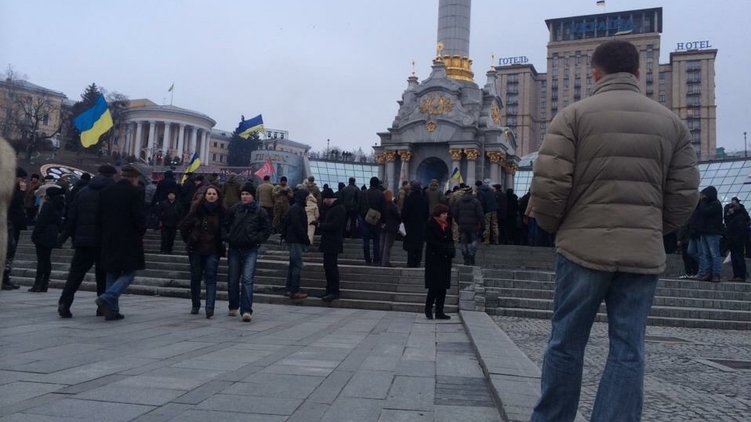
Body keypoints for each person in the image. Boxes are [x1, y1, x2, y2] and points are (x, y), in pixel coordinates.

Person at [528, 40, 699, 422]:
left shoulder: (572, 117)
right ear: (638, 72)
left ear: (594, 72)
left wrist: (558, 228)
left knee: (566, 343)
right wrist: (650, 228)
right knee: (628, 349)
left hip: (581, 250)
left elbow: (549, 186)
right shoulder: (672, 124)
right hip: (642, 254)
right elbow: (685, 195)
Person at [57, 165, 117, 317]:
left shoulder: (83, 192)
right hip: (104, 242)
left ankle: (64, 303)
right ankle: (102, 307)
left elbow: (72, 218)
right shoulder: (113, 192)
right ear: (112, 176)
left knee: (75, 275)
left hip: (83, 241)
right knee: (103, 276)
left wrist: (63, 237)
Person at [95, 165, 146, 321]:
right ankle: (108, 296)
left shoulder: (105, 192)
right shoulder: (136, 192)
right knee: (130, 272)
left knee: (112, 272)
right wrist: (141, 230)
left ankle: (112, 311)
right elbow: (138, 216)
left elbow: (99, 216)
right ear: (133, 178)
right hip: (129, 238)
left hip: (109, 237)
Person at [225, 182, 270, 322]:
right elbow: (225, 224)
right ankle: (233, 305)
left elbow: (266, 229)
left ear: (253, 196)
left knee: (247, 279)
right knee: (233, 279)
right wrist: (228, 237)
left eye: (247, 194)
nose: (244, 196)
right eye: (243, 194)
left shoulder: (260, 211)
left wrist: (257, 239)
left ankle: (246, 310)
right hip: (234, 247)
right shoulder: (234, 209)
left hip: (250, 248)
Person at [179, 186, 226, 318]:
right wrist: (190, 239)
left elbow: (225, 228)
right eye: (209, 193)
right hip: (196, 248)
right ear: (205, 196)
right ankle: (196, 303)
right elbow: (183, 226)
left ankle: (210, 306)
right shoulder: (197, 210)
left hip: (213, 249)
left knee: (211, 277)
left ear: (218, 196)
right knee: (196, 277)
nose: (211, 196)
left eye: (214, 194)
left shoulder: (222, 212)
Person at [311, 188, 345, 301]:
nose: (323, 202)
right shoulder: (332, 209)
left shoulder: (338, 209)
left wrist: (320, 225)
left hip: (333, 242)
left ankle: (334, 291)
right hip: (328, 242)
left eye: (324, 199)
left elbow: (334, 225)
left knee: (331, 267)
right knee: (327, 266)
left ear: (328, 198)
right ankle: (329, 290)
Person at [29, 186, 65, 292]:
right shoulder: (60, 204)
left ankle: (38, 284)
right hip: (53, 233)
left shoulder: (47, 204)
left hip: (43, 233)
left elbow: (41, 220)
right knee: (47, 259)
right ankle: (45, 283)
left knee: (41, 260)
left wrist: (35, 234)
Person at [424, 204, 455, 320]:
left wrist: (451, 249)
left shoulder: (447, 225)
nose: (445, 215)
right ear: (438, 214)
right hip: (434, 259)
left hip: (445, 259)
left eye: (446, 213)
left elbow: (450, 240)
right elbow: (431, 241)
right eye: (443, 213)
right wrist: (444, 248)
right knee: (434, 287)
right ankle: (428, 309)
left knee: (442, 287)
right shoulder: (431, 224)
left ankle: (439, 311)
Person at [281, 189, 310, 299]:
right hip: (295, 239)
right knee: (297, 264)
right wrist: (305, 238)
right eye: (306, 197)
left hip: (293, 238)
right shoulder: (297, 208)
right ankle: (294, 290)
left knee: (293, 264)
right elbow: (297, 225)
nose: (307, 199)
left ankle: (289, 289)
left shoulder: (295, 207)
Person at [4, 166, 26, 290]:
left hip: (14, 224)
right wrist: (22, 192)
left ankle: (6, 278)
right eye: (22, 178)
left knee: (10, 253)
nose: (23, 181)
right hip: (9, 223)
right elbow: (13, 203)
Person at [695, 186, 723, 282]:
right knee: (706, 254)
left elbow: (704, 212)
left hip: (712, 232)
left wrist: (702, 201)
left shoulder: (715, 205)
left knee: (714, 254)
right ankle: (708, 272)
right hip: (704, 231)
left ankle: (716, 273)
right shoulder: (707, 204)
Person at [453, 186, 484, 266]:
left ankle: (466, 257)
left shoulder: (459, 201)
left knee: (463, 242)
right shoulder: (476, 201)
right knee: (474, 240)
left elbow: (455, 214)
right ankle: (471, 254)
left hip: (462, 225)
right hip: (473, 225)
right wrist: (481, 223)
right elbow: (480, 214)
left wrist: (458, 222)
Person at [401, 181, 429, 267]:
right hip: (421, 225)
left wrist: (404, 221)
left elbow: (404, 212)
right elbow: (427, 213)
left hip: (410, 226)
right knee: (419, 244)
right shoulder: (424, 199)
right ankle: (417, 261)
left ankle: (410, 262)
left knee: (411, 245)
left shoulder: (409, 199)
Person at [359, 176, 385, 265]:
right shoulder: (380, 194)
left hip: (365, 219)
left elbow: (359, 206)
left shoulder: (363, 193)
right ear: (377, 184)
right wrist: (383, 221)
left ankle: (367, 260)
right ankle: (376, 260)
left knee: (365, 241)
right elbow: (383, 208)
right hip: (376, 220)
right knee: (376, 241)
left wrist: (362, 215)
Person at [725, 201, 749, 282]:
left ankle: (740, 275)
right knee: (735, 258)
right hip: (734, 241)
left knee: (738, 258)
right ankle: (737, 275)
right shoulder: (736, 217)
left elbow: (738, 231)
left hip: (737, 241)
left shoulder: (739, 217)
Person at [157, 189, 184, 254]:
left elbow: (181, 213)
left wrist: (179, 221)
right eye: (170, 194)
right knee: (164, 237)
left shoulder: (178, 204)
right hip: (165, 223)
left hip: (174, 224)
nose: (171, 196)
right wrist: (160, 220)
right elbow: (159, 212)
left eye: (172, 194)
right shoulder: (163, 203)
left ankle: (169, 250)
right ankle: (163, 250)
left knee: (171, 238)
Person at [379, 190, 400, 267]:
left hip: (383, 226)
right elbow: (398, 216)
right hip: (391, 227)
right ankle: (385, 261)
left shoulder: (382, 206)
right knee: (388, 245)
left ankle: (381, 260)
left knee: (382, 245)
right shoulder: (392, 206)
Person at [476, 179, 499, 245]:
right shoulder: (490, 190)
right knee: (495, 224)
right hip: (494, 209)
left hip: (487, 210)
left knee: (487, 224)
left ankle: (486, 240)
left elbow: (481, 202)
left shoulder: (480, 192)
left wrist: (482, 211)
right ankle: (496, 239)